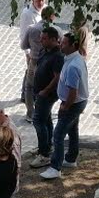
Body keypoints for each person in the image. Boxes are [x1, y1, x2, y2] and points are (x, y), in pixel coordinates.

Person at [40, 31, 88, 179]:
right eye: (61, 41)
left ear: (73, 45)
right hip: (76, 102)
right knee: (73, 130)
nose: (61, 44)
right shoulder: (74, 59)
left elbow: (73, 91)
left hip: (72, 103)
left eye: (64, 43)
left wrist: (66, 106)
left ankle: (56, 167)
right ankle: (71, 158)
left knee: (58, 134)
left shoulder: (73, 65)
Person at [28, 25, 64, 168]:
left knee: (38, 121)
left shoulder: (58, 56)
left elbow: (57, 77)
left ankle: (44, 154)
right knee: (46, 120)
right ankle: (46, 146)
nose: (41, 40)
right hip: (39, 92)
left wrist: (46, 90)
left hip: (47, 94)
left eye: (44, 38)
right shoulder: (45, 51)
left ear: (54, 40)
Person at [18, 0, 45, 118]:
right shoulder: (27, 14)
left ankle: (25, 95)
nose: (40, 3)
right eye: (38, 1)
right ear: (33, 0)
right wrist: (27, 53)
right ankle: (26, 96)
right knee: (30, 74)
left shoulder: (45, 10)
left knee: (30, 73)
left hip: (43, 52)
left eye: (42, 0)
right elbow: (23, 34)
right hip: (32, 51)